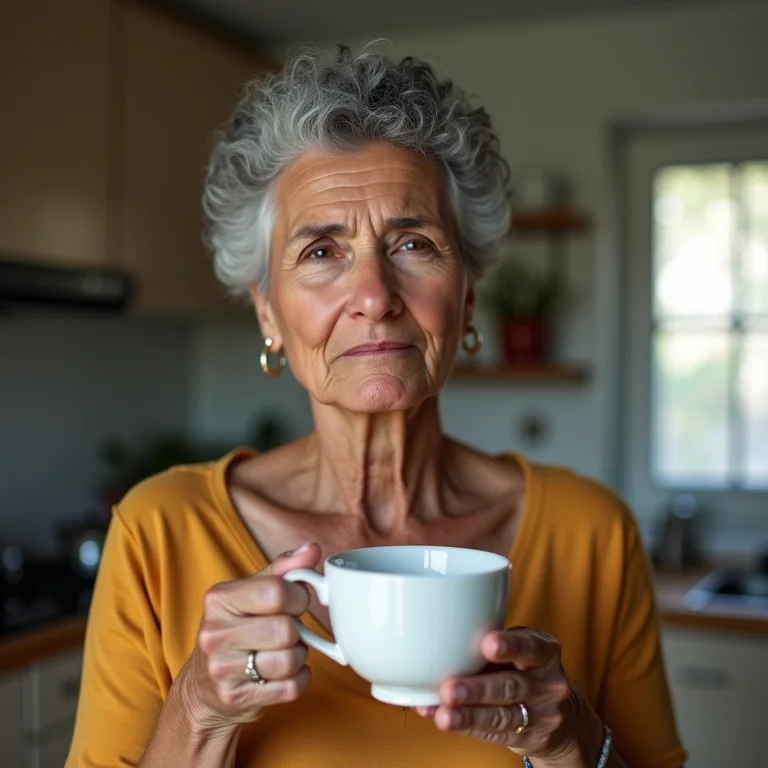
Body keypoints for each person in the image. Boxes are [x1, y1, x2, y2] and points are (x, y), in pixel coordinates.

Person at [66, 46, 685, 768]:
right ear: (267, 310)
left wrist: (571, 739)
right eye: (322, 252)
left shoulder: (593, 535)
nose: (374, 296)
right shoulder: (158, 534)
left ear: (469, 298)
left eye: (414, 243)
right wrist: (201, 709)